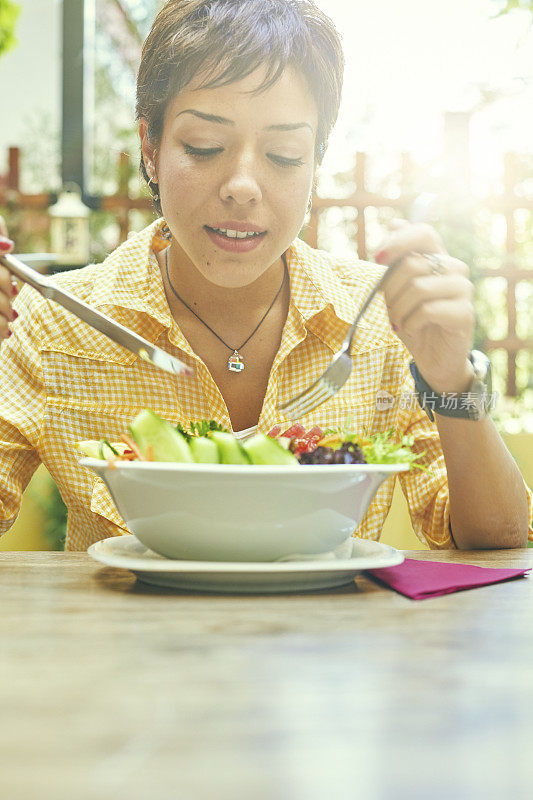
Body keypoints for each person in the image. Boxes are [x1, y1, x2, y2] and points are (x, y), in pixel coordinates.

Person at [0, 0, 531, 552]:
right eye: (204, 146)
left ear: (316, 164)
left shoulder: (377, 321)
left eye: (282, 154)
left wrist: (451, 380)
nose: (243, 185)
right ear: (151, 149)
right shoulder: (53, 326)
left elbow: (496, 539)